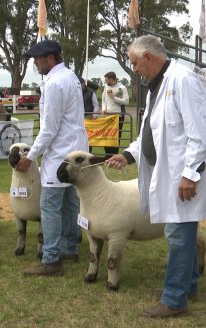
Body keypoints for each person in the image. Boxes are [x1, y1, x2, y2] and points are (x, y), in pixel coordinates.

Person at [106, 35, 206, 318]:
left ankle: (174, 299)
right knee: (180, 233)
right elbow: (148, 133)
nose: (134, 69)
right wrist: (127, 154)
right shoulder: (155, 87)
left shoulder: (183, 80)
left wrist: (190, 174)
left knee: (178, 235)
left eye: (135, 63)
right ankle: (188, 286)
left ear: (149, 57)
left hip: (182, 177)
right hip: (167, 174)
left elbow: (199, 132)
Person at [16, 39, 88, 276]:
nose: (35, 63)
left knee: (50, 206)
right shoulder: (70, 77)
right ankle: (69, 247)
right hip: (73, 148)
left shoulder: (55, 83)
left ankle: (52, 258)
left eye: (38, 59)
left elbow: (49, 128)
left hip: (60, 151)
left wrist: (31, 156)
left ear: (50, 58)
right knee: (69, 202)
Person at [101, 71, 129, 157]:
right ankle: (107, 155)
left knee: (116, 136)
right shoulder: (106, 87)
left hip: (118, 115)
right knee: (107, 135)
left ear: (112, 79)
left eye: (107, 80)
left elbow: (126, 102)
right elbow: (103, 99)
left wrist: (114, 97)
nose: (106, 82)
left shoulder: (122, 88)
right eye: (105, 80)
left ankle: (114, 155)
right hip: (107, 115)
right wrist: (103, 109)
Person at [79, 77, 99, 153]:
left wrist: (95, 114)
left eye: (80, 85)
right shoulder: (74, 92)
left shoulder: (91, 92)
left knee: (89, 138)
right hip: (78, 118)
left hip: (89, 117)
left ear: (83, 84)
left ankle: (88, 153)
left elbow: (96, 104)